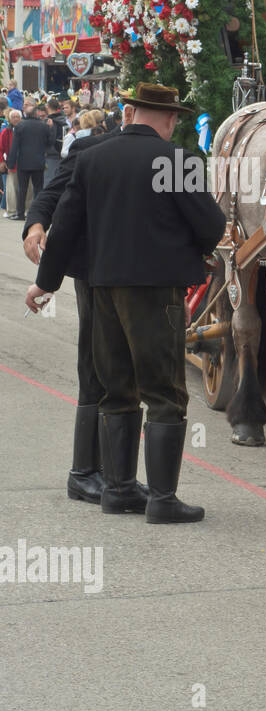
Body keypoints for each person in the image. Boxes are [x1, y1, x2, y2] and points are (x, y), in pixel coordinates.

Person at [27, 84, 226, 524]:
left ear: (132, 113)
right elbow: (212, 227)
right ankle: (162, 499)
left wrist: (44, 284)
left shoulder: (92, 157)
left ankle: (117, 490)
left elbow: (66, 225)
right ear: (171, 118)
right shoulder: (179, 161)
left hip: (101, 290)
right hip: (155, 292)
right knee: (165, 394)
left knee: (116, 388)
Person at [22, 102, 149, 508]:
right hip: (95, 270)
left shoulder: (174, 156)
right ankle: (83, 473)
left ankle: (118, 479)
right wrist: (36, 223)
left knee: (126, 371)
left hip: (140, 277)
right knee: (95, 365)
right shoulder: (90, 150)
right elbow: (53, 193)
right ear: (128, 115)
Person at [6, 103, 55, 221]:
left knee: (22, 188)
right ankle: (37, 213)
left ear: (25, 114)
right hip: (39, 161)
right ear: (36, 114)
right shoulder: (44, 126)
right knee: (38, 188)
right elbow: (50, 143)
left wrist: (10, 163)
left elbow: (15, 146)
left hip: (23, 161)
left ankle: (20, 213)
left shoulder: (20, 126)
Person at [0, 108, 16, 216]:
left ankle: (5, 206)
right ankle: (5, 207)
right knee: (7, 186)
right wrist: (1, 161)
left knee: (8, 186)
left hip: (10, 160)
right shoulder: (5, 128)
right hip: (7, 160)